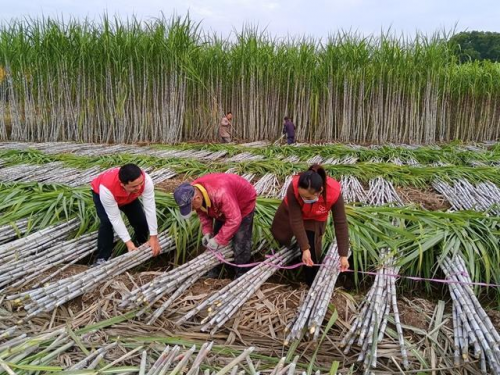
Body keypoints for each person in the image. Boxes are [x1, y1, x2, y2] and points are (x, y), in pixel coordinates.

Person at [271, 164, 349, 286]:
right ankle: (291, 255)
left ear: (320, 191)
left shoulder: (334, 193)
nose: (303, 199)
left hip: (316, 217)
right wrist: (304, 247)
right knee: (281, 235)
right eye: (301, 196)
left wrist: (343, 255)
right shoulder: (294, 187)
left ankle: (310, 282)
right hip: (292, 212)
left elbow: (341, 223)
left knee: (311, 251)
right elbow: (296, 219)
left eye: (307, 197)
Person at [173, 173, 257, 279]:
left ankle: (242, 273)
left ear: (197, 199)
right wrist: (207, 232)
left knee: (241, 241)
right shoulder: (193, 191)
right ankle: (216, 270)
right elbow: (203, 213)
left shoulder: (220, 194)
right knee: (217, 236)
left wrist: (218, 240)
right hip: (222, 208)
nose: (193, 210)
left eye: (192, 207)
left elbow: (235, 219)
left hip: (243, 204)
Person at [91, 164, 161, 265]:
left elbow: (150, 208)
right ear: (122, 184)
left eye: (140, 183)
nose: (139, 187)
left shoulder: (146, 180)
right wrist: (127, 242)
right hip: (103, 193)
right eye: (134, 186)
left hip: (129, 195)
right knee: (107, 223)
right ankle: (102, 257)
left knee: (140, 220)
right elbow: (115, 218)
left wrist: (154, 236)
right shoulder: (106, 189)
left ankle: (142, 242)